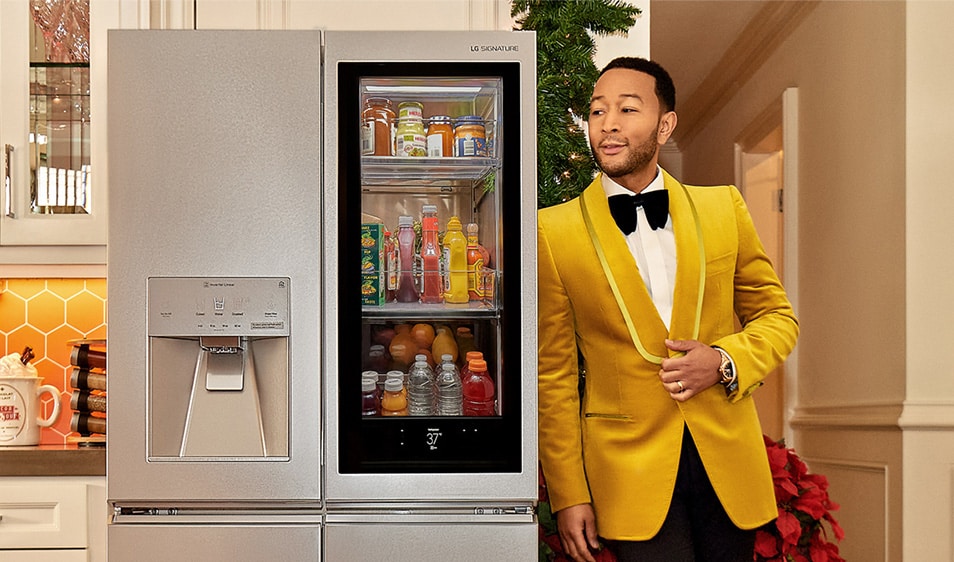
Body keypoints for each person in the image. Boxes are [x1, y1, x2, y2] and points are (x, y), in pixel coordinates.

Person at [537, 57, 799, 562]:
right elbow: (554, 374)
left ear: (665, 124)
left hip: (727, 466)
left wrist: (723, 361)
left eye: (627, 109)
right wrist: (570, 493)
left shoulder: (725, 207)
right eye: (596, 111)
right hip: (627, 471)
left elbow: (778, 318)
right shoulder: (554, 232)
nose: (607, 124)